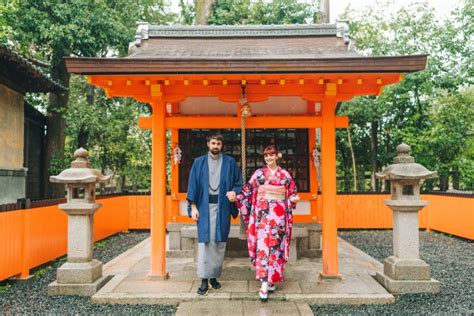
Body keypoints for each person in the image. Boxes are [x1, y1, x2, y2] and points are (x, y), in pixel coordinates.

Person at [236, 145, 299, 301]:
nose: (269, 158)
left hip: (279, 218)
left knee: (276, 248)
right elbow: (247, 191)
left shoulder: (285, 175)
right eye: (266, 156)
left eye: (271, 155)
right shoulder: (258, 174)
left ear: (277, 155)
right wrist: (237, 198)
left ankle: (272, 280)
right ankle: (264, 283)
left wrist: (293, 200)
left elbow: (292, 193)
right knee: (263, 247)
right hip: (262, 217)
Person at [187, 133, 242, 296]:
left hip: (222, 206)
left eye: (218, 143)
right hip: (204, 206)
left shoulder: (230, 163)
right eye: (213, 143)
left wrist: (234, 192)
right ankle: (204, 279)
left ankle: (214, 277)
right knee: (205, 243)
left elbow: (239, 183)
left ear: (221, 145)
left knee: (219, 243)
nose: (215, 146)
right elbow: (193, 185)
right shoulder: (199, 163)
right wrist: (193, 207)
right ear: (208, 144)